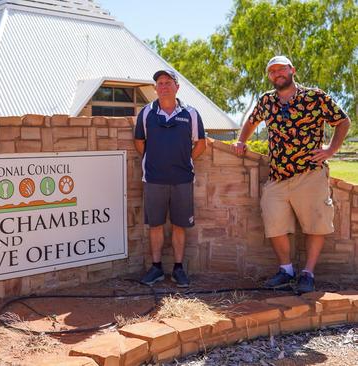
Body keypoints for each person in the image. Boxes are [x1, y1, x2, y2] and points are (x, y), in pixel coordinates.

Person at [232, 56, 351, 294]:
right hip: (277, 176)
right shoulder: (267, 100)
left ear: (292, 70)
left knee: (315, 225)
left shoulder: (314, 97)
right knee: (273, 224)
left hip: (310, 174)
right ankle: (286, 271)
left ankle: (308, 273)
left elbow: (343, 121)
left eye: (281, 69)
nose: (277, 74)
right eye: (272, 71)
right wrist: (241, 140)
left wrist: (331, 150)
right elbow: (252, 121)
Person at [134, 69, 207, 288]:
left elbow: (200, 144)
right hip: (154, 179)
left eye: (168, 82)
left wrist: (183, 159)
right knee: (155, 225)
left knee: (179, 225)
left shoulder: (191, 113)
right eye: (160, 83)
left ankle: (178, 269)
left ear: (177, 87)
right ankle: (156, 267)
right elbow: (139, 143)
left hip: (182, 179)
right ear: (155, 88)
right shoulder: (146, 113)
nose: (163, 86)